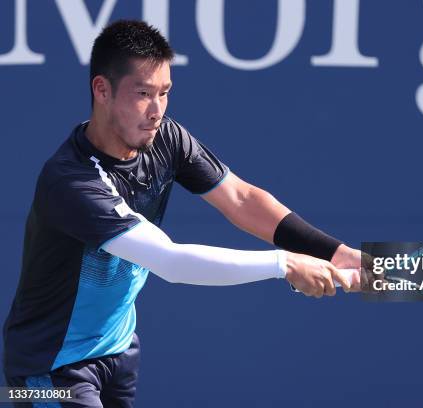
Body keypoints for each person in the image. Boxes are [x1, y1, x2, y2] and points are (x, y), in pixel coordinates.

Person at [2, 20, 362, 407]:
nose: (156, 110)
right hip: (44, 371)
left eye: (164, 93)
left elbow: (241, 199)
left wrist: (339, 254)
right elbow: (171, 263)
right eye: (142, 94)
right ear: (101, 90)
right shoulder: (72, 183)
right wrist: (284, 265)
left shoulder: (166, 139)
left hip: (119, 350)